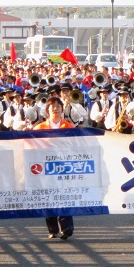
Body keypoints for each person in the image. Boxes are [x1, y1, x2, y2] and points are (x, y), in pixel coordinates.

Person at [33, 97, 76, 239]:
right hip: (46, 169)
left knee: (65, 195)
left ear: (62, 109)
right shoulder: (39, 128)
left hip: (64, 167)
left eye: (58, 106)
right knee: (48, 197)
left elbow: (77, 145)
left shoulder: (69, 127)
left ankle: (67, 227)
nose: (56, 109)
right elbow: (32, 147)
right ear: (47, 110)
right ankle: (52, 229)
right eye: (53, 106)